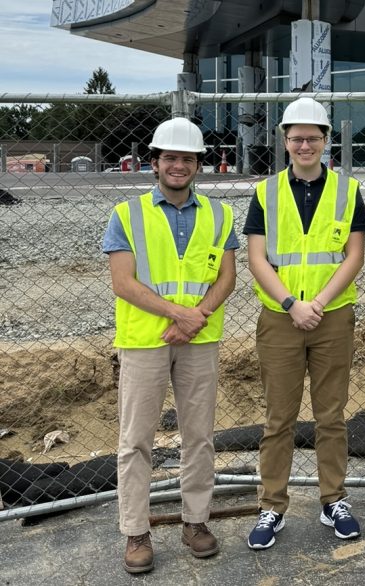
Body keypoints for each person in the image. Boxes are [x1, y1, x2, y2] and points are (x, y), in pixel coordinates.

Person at [102, 117, 237, 574]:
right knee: (135, 439)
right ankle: (136, 531)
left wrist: (194, 318)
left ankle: (195, 521)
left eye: (187, 158)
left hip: (199, 339)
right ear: (155, 162)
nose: (178, 165)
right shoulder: (127, 214)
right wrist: (178, 314)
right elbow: (123, 282)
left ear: (198, 164)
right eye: (170, 158)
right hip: (145, 340)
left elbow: (227, 277)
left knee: (198, 436)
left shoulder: (220, 215)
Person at [243, 97, 365, 549]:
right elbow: (257, 259)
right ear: (285, 141)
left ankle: (333, 499)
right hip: (280, 317)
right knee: (279, 418)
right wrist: (292, 302)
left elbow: (354, 255)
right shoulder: (265, 192)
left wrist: (317, 302)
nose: (304, 145)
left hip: (332, 316)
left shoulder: (347, 191)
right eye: (296, 138)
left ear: (325, 141)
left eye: (313, 138)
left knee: (331, 416)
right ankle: (272, 505)